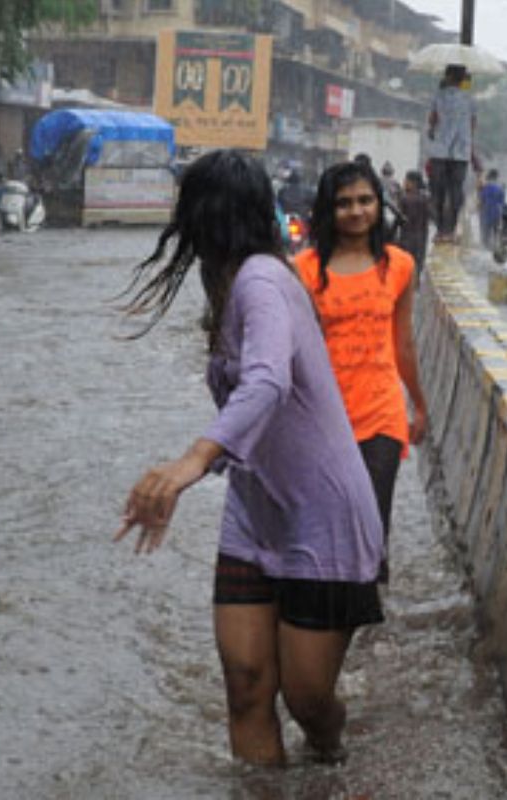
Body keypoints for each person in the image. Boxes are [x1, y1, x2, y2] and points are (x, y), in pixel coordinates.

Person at [115, 150, 384, 766]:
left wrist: (191, 463)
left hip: (324, 515)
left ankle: (329, 752)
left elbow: (267, 382)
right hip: (255, 511)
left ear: (204, 217)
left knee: (308, 699)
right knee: (245, 687)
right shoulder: (229, 283)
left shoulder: (262, 279)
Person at [294, 161, 429, 583]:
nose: (357, 211)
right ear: (328, 210)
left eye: (365, 201)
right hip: (323, 418)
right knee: (324, 524)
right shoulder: (303, 270)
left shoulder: (400, 265)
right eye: (345, 203)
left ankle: (367, 616)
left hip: (382, 415)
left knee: (373, 523)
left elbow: (403, 342)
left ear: (379, 204)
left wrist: (419, 406)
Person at [426, 64, 476, 243]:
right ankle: (451, 230)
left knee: (437, 191)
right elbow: (472, 125)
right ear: (462, 79)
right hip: (461, 153)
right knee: (456, 191)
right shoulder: (470, 99)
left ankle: (440, 230)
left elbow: (432, 120)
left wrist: (432, 130)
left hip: (440, 150)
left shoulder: (438, 96)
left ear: (448, 76)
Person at [397, 170, 431, 276]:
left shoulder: (405, 199)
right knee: (417, 268)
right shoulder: (425, 199)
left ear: (413, 183)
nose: (404, 183)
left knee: (405, 270)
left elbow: (400, 220)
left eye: (406, 181)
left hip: (407, 239)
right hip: (421, 239)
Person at [478, 169, 505, 248]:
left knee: (485, 232)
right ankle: (494, 246)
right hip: (496, 213)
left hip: (485, 212)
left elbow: (481, 200)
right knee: (496, 232)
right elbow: (502, 204)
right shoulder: (500, 189)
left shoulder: (485, 187)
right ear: (496, 178)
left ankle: (485, 246)